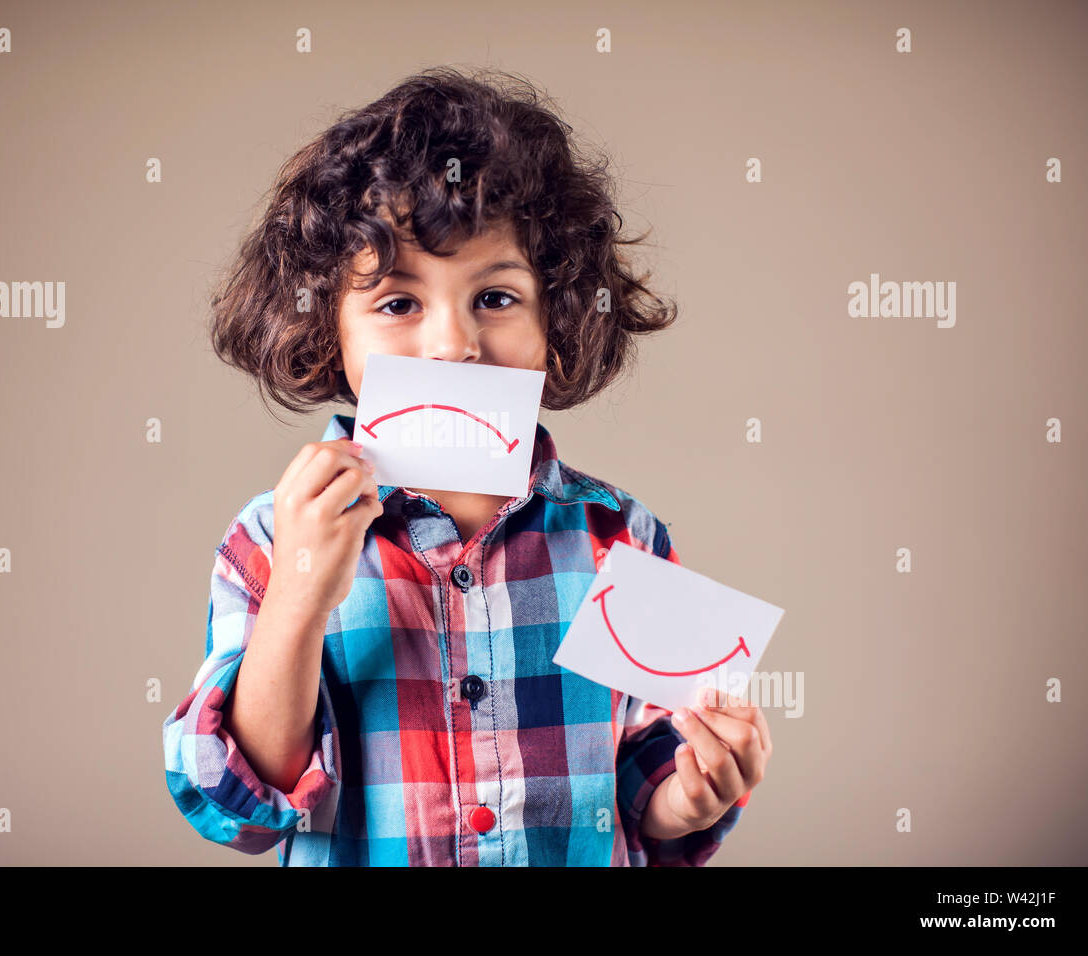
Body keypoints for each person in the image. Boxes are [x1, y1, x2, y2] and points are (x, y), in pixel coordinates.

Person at [162, 66, 771, 865]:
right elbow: (237, 807)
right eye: (397, 303)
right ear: (328, 336)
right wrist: (300, 598)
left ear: (555, 319)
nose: (454, 344)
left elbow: (646, 764)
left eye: (495, 297)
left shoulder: (621, 534)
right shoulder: (273, 540)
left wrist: (686, 796)